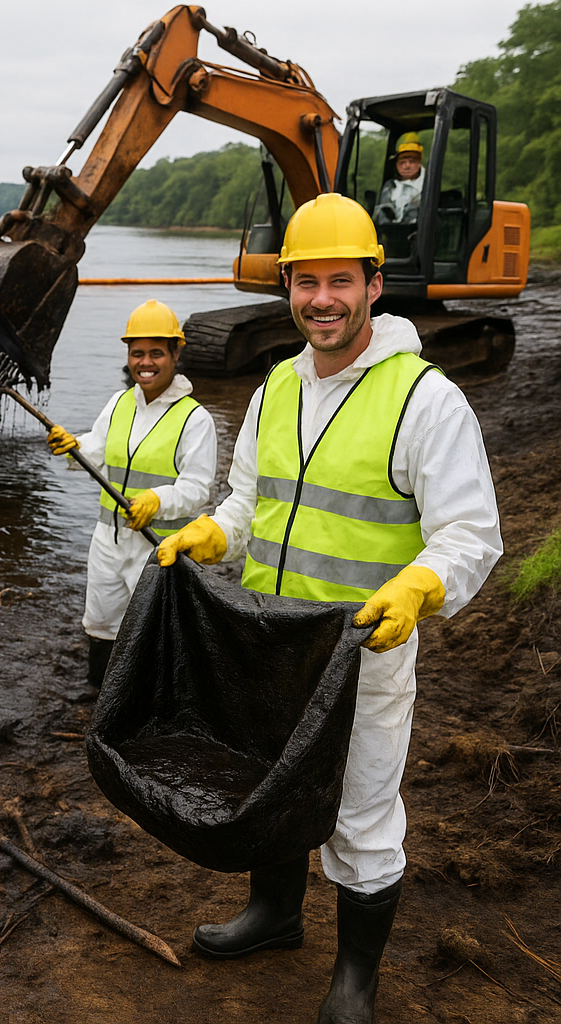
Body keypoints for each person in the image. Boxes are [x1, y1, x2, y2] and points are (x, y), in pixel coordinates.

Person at [157, 193, 501, 1023]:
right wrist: (213, 531)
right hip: (269, 644)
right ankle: (275, 916)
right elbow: (248, 499)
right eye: (304, 282)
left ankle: (355, 975)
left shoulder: (424, 400)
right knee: (274, 788)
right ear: (287, 288)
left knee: (361, 812)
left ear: (375, 285)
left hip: (362, 653)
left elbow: (471, 535)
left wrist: (422, 585)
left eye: (339, 280)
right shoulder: (277, 385)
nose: (321, 300)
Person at [46, 300, 216, 689]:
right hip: (108, 538)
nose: (146, 362)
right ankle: (97, 694)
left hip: (157, 547)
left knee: (153, 627)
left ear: (176, 353)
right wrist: (73, 445)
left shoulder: (195, 419)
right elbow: (99, 450)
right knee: (102, 619)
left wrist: (157, 500)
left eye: (156, 352)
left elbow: (197, 487)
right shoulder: (119, 403)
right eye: (137, 353)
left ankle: (148, 702)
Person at [374, 132, 425, 225]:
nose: (407, 166)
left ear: (419, 162)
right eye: (402, 162)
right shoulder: (389, 187)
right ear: (396, 164)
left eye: (412, 161)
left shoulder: (427, 185)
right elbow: (382, 216)